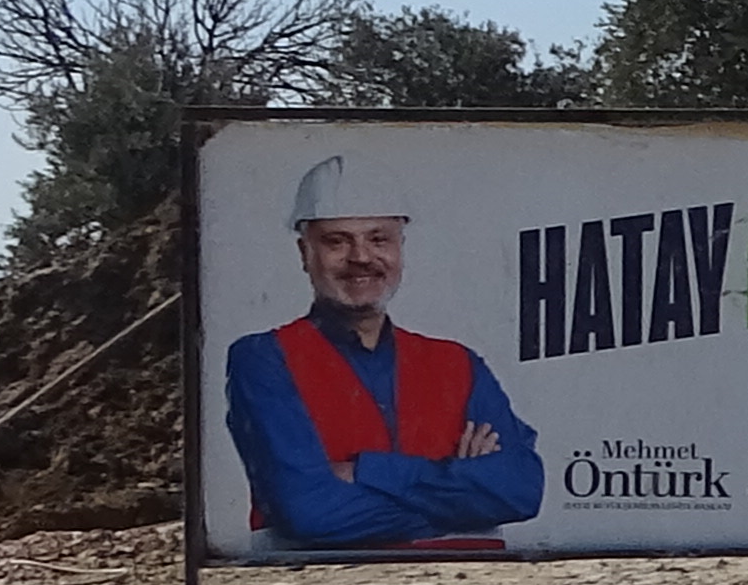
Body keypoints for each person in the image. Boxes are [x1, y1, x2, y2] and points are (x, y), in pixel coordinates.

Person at [222, 153, 544, 551]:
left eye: (378, 239)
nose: (361, 257)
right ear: (305, 253)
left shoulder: (458, 364)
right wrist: (464, 503)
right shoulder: (264, 360)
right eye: (337, 241)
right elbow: (306, 511)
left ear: (400, 248)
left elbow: (521, 491)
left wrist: (366, 471)